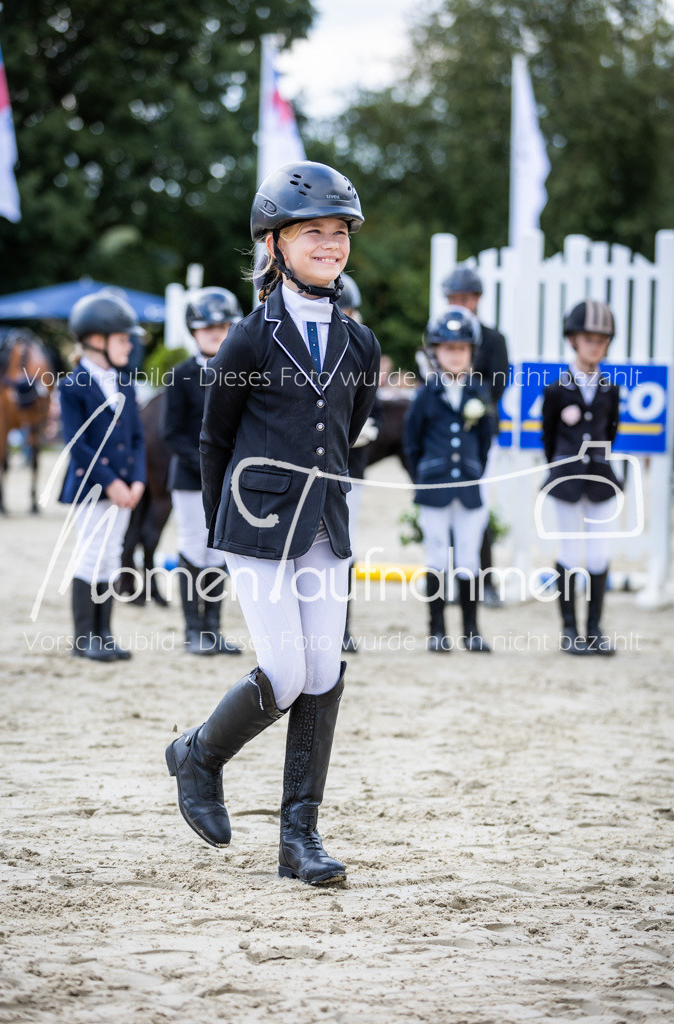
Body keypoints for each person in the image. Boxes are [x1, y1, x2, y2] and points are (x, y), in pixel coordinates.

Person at [165, 161, 381, 885]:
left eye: (338, 232)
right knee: (285, 671)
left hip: (325, 526)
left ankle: (299, 838)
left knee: (322, 673)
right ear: (275, 245)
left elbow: (344, 432)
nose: (329, 243)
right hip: (256, 526)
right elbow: (213, 439)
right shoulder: (249, 339)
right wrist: (222, 523)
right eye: (312, 232)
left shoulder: (360, 344)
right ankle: (200, 752)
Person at [59, 291, 147, 661]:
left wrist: (138, 480)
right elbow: (77, 444)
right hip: (92, 487)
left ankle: (105, 633)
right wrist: (111, 481)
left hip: (126, 488)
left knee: (112, 556)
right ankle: (85, 638)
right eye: (124, 338)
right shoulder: (73, 384)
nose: (131, 344)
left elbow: (138, 437)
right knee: (91, 554)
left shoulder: (125, 382)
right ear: (97, 340)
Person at [404, 306, 493, 653]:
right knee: (437, 554)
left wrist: (473, 470)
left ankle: (471, 630)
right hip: (434, 487)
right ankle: (437, 630)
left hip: (469, 487)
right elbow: (412, 444)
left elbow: (486, 441)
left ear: (471, 352)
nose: (455, 355)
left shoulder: (480, 393)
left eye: (462, 349)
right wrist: (423, 479)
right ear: (436, 352)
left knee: (469, 555)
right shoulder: (426, 393)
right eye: (448, 348)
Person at [162, 287, 243, 656]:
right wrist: (207, 465)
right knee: (194, 546)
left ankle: (213, 628)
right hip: (191, 479)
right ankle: (192, 629)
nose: (215, 332)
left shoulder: (242, 374)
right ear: (194, 331)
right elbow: (171, 433)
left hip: (229, 481)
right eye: (207, 327)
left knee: (218, 553)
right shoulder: (180, 375)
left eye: (223, 326)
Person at [541, 300, 621, 656]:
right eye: (588, 339)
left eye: (601, 340)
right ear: (573, 341)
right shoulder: (557, 389)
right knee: (571, 551)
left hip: (601, 479)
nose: (595, 346)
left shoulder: (610, 389)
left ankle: (594, 627)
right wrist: (559, 469)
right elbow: (548, 435)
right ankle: (570, 629)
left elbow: (612, 430)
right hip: (567, 480)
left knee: (600, 554)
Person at [442, 265, 509, 606]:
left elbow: (496, 389)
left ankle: (487, 581)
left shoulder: (493, 339)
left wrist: (471, 407)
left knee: (477, 508)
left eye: (464, 298)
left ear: (477, 300)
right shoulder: (440, 338)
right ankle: (455, 582)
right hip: (444, 437)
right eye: (453, 298)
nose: (459, 304)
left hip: (480, 436)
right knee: (447, 509)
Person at [335, 273, 382, 653]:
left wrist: (368, 430)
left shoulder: (363, 352)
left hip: (352, 469)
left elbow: (375, 412)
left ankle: (343, 626)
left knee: (345, 549)